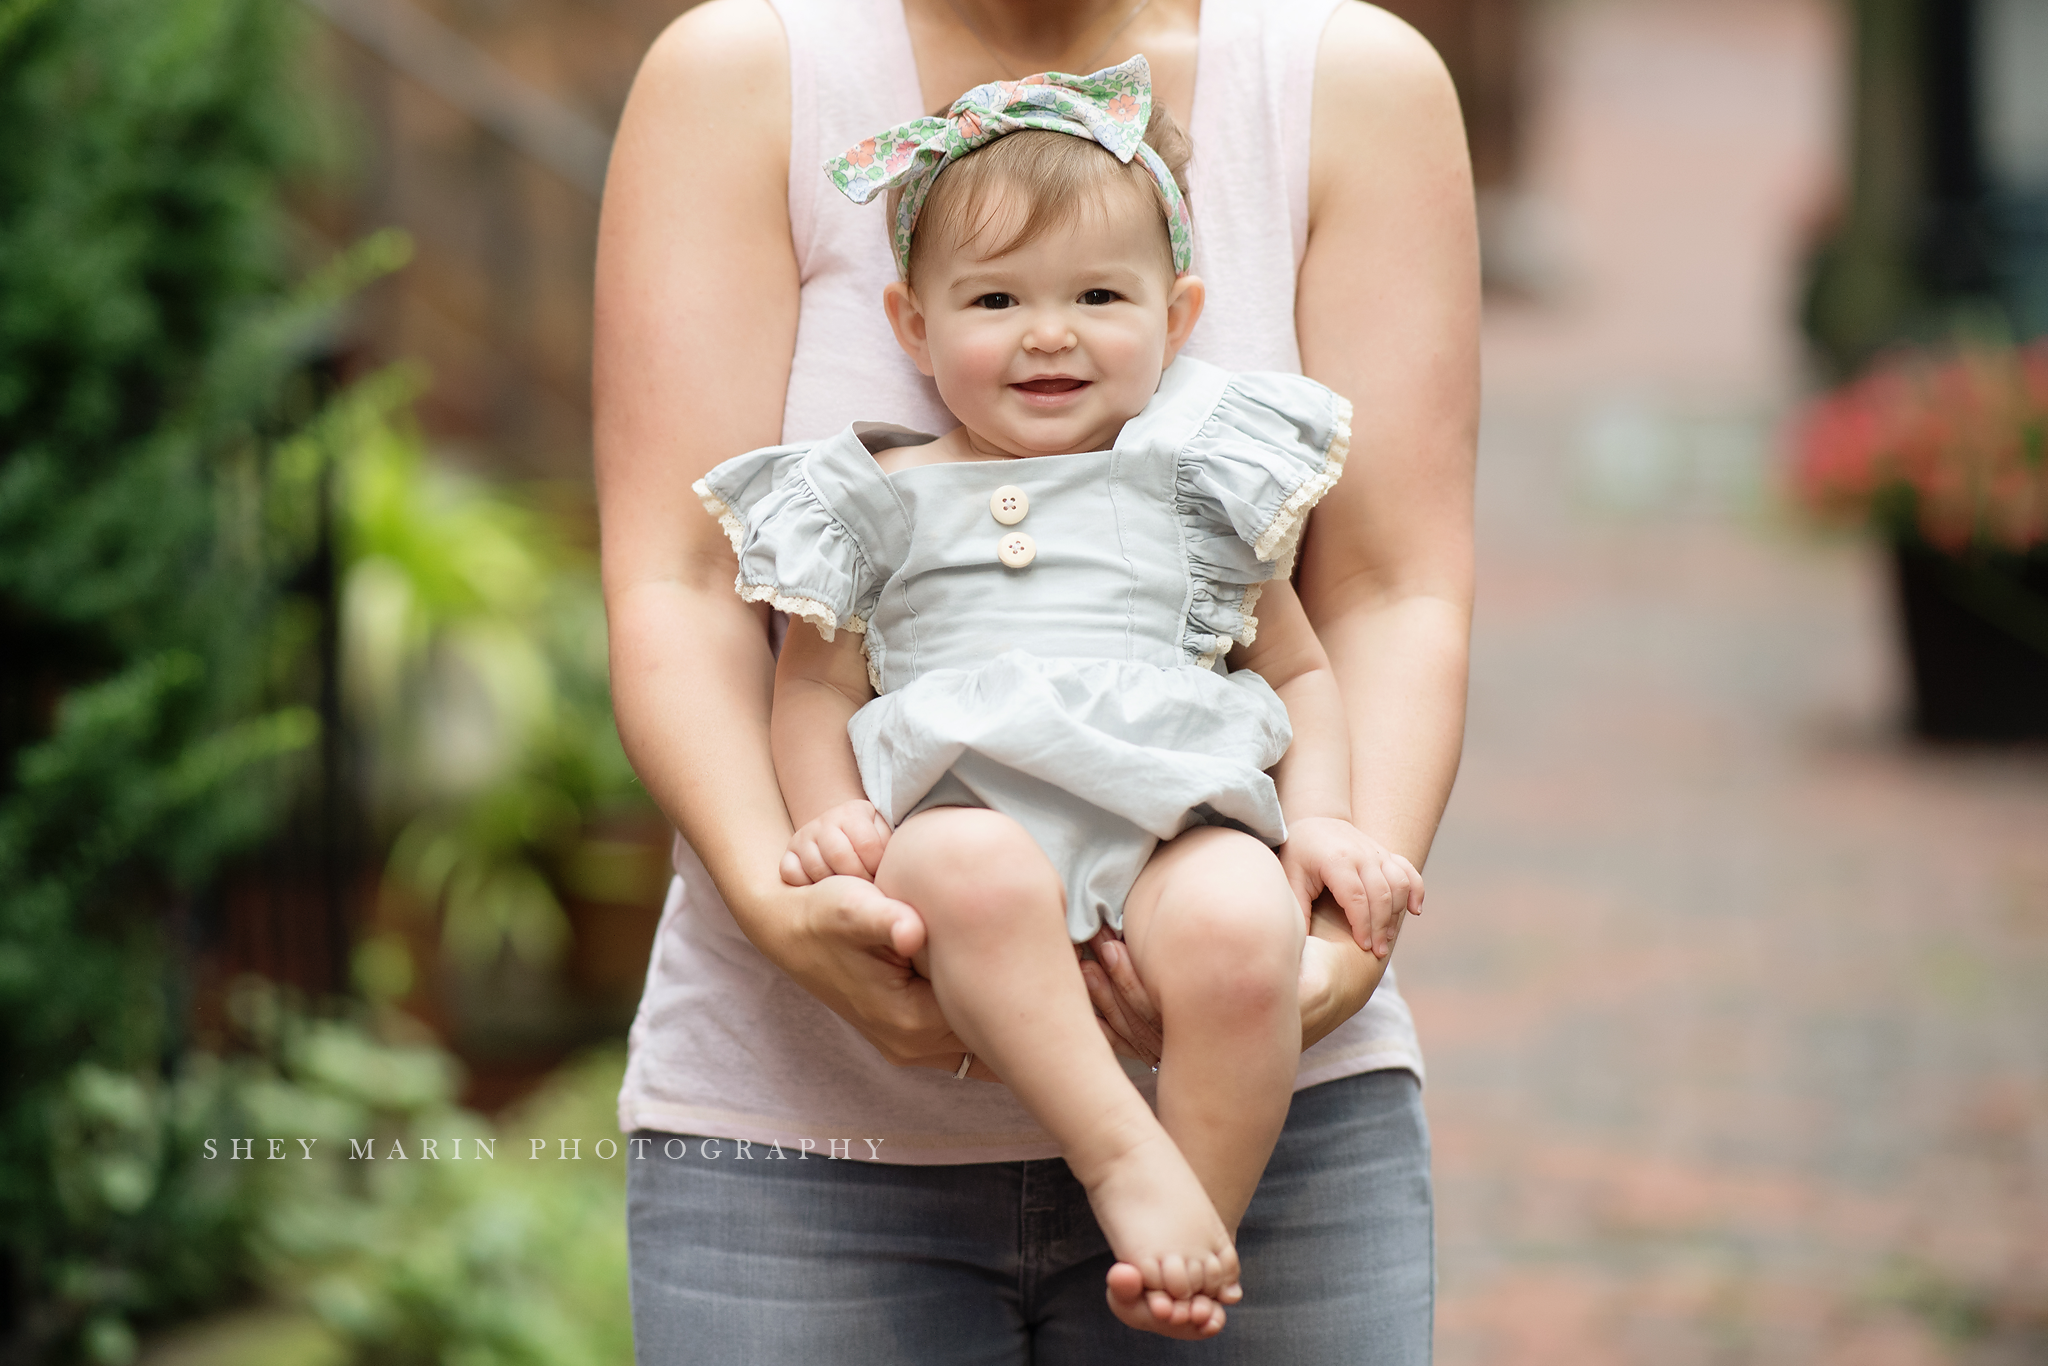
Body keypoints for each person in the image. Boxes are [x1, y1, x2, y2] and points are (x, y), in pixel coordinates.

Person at [595, 0, 1475, 1359]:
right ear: (917, 317)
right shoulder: (746, 77)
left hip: (1264, 1097)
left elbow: (1380, 597)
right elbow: (688, 592)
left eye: (1095, 301)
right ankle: (1138, 1161)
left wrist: (1334, 910)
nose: (1046, 337)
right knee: (970, 867)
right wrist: (793, 895)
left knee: (1228, 910)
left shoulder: (1346, 82)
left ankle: (1189, 1205)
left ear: (1175, 312)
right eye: (996, 300)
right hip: (810, 1132)